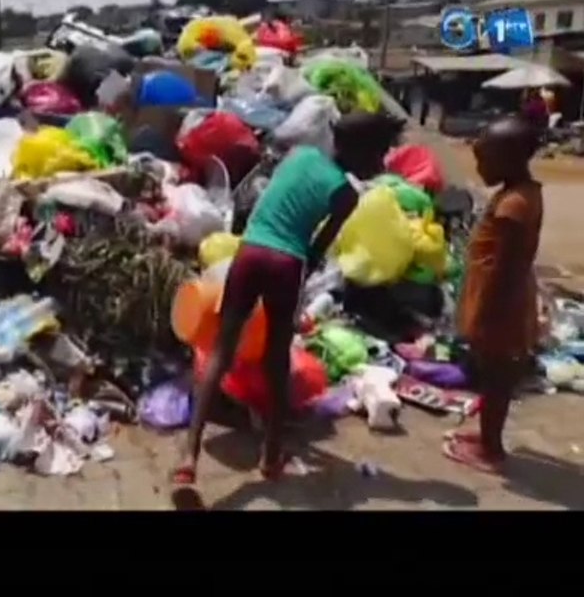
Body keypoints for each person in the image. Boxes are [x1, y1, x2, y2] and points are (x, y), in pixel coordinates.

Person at [172, 112, 404, 485]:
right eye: (379, 155)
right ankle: (271, 455)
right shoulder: (344, 195)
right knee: (276, 360)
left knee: (221, 350)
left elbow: (264, 205)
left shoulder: (298, 156)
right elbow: (316, 250)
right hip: (287, 263)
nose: (380, 164)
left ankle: (189, 454)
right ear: (363, 153)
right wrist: (300, 283)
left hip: (248, 253)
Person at [443, 116, 543, 473]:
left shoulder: (514, 205)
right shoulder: (517, 194)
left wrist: (485, 315)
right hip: (500, 300)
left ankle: (491, 449)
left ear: (512, 158)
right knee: (491, 374)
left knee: (499, 378)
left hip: (502, 305)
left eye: (486, 160)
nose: (480, 167)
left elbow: (505, 267)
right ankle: (486, 437)